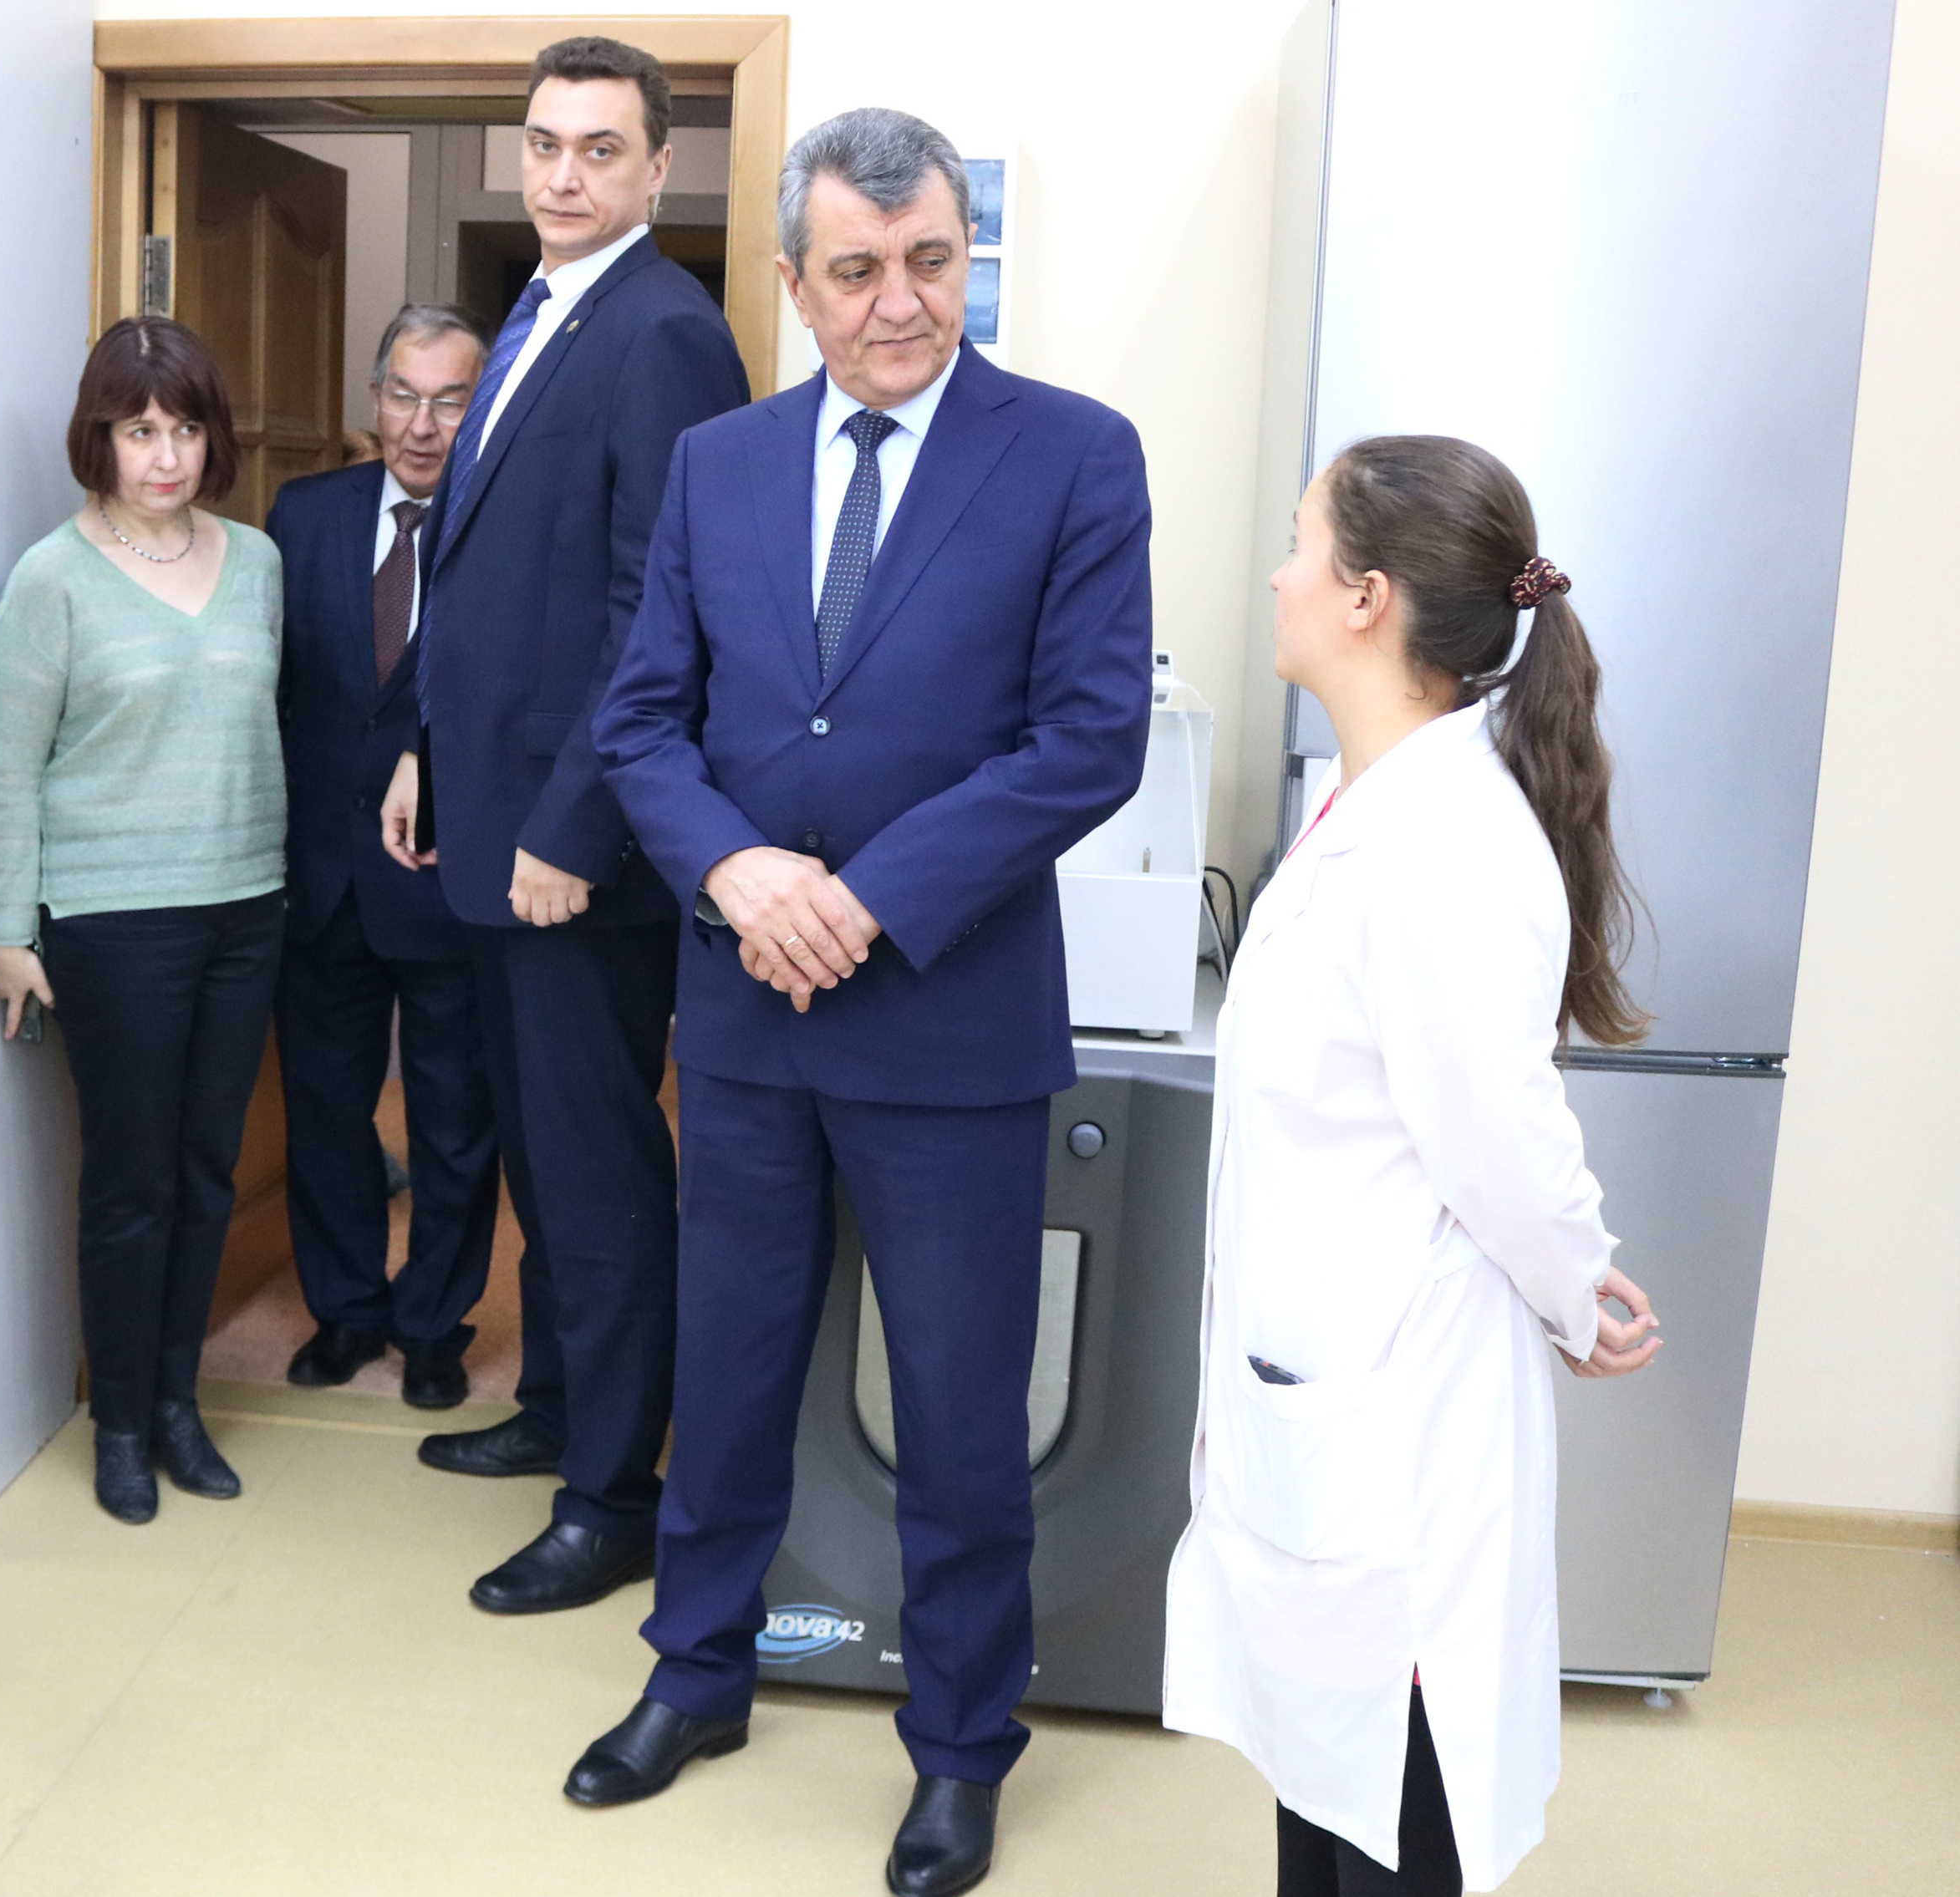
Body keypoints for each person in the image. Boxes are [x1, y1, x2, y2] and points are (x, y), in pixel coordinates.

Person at [583, 109, 1155, 1896]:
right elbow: (640, 720)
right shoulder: (719, 464)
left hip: (948, 1022)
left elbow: (1088, 738)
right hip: (747, 1012)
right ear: (792, 278)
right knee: (728, 1370)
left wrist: (866, 897)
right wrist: (738, 874)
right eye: (856, 270)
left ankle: (961, 1746)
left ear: (964, 254)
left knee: (963, 1412)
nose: (898, 302)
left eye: (930, 262)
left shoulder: (1073, 454)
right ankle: (696, 1674)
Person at [1162, 435, 1663, 1897]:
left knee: (1390, 1815)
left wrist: (1577, 1288)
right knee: (1328, 1804)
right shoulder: (1370, 801)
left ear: (1367, 596)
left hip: (1396, 1415)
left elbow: (1500, 1135)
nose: (1277, 574)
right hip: (1324, 1388)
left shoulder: (1443, 842)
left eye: (1299, 542)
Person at [374, 33, 751, 1616]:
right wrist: (424, 751)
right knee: (538, 1151)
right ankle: (556, 1409)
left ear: (657, 167)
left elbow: (650, 615)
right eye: (544, 143)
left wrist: (573, 828)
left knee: (597, 1177)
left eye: (601, 148)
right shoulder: (535, 309)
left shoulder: (663, 331)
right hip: (488, 811)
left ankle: (615, 1498)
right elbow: (475, 576)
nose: (565, 173)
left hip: (571, 853)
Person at [0, 317, 288, 1524]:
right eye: (139, 430)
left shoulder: (255, 561)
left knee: (208, 1171)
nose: (166, 456)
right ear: (98, 438)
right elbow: (13, 770)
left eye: (186, 429)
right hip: (111, 920)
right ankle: (116, 1421)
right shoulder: (51, 578)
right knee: (130, 1181)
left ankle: (175, 1403)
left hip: (244, 904)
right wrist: (9, 929)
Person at [267, 304, 501, 1409]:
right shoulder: (302, 516)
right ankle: (346, 1309)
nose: (422, 423)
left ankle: (434, 1323)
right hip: (321, 875)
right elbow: (274, 691)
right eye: (404, 396)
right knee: (325, 1113)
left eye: (450, 400)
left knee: (453, 1122)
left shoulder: (504, 522)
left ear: (481, 408)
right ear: (373, 400)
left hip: (448, 875)